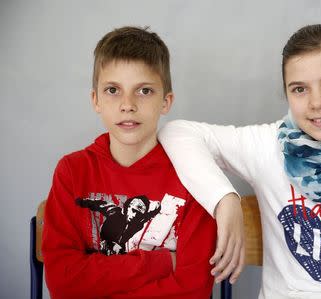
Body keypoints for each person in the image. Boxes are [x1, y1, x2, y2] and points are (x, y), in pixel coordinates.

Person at [159, 24, 321, 298]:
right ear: (287, 93)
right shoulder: (270, 145)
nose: (317, 102)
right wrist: (224, 199)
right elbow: (176, 132)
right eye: (299, 89)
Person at [42, 26, 217, 299]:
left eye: (144, 91)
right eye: (113, 90)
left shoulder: (193, 174)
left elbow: (194, 288)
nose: (128, 104)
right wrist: (160, 263)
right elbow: (63, 282)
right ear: (95, 100)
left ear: (166, 101)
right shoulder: (73, 171)